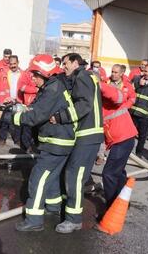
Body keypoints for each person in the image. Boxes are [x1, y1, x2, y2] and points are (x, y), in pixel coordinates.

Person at [0, 54, 75, 232]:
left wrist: (7, 116)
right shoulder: (52, 87)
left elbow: (34, 117)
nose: (32, 77)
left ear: (44, 74)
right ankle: (54, 207)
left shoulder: (52, 90)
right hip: (59, 142)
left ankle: (34, 220)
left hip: (56, 143)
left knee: (37, 179)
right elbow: (36, 109)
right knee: (52, 177)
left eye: (35, 74)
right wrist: (17, 105)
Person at [49, 53, 103, 233]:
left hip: (87, 135)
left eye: (65, 63)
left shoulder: (83, 76)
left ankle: (73, 220)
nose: (63, 67)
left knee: (75, 175)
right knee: (72, 173)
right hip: (86, 135)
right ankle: (70, 211)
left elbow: (84, 105)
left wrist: (60, 117)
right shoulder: (83, 77)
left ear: (75, 62)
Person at [100, 71, 138, 210]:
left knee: (109, 174)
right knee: (119, 172)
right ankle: (122, 202)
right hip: (121, 139)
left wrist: (98, 84)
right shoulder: (98, 102)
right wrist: (101, 153)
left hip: (123, 138)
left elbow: (118, 96)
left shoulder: (109, 94)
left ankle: (112, 207)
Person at [0, 55, 22, 146]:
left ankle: (17, 139)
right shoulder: (5, 73)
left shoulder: (22, 74)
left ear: (18, 62)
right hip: (7, 100)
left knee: (17, 121)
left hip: (18, 100)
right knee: (5, 120)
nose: (13, 66)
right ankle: (2, 139)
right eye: (11, 64)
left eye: (14, 64)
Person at [17, 64, 39, 153]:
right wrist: (36, 89)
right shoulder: (26, 74)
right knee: (27, 129)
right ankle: (26, 148)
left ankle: (34, 147)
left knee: (36, 130)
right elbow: (22, 87)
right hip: (28, 105)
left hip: (39, 106)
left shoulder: (43, 75)